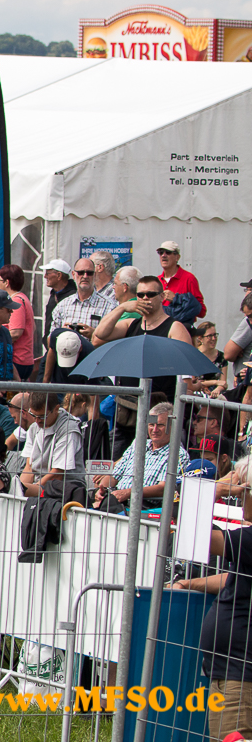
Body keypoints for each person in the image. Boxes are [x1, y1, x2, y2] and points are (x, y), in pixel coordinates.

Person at [169, 454, 252, 742]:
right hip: (233, 669)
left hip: (241, 675)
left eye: (243, 490)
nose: (238, 498)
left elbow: (192, 538)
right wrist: (189, 583)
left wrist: (215, 488)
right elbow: (236, 578)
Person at [93, 275, 197, 403]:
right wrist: (122, 307)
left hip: (160, 404)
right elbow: (100, 333)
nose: (145, 298)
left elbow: (186, 371)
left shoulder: (174, 328)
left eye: (150, 294)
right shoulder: (130, 324)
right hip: (128, 403)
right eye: (140, 295)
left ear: (162, 297)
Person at [91, 403, 187, 512]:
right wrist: (101, 491)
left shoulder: (178, 454)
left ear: (172, 426)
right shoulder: (138, 444)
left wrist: (129, 492)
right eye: (151, 424)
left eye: (160, 425)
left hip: (143, 507)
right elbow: (114, 476)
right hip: (116, 501)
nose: (155, 429)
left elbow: (163, 488)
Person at [15, 392, 87, 503]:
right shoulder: (34, 428)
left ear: (56, 409)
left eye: (42, 416)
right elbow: (29, 468)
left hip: (65, 490)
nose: (37, 420)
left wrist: (27, 490)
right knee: (15, 490)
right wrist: (19, 492)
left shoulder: (69, 430)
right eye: (33, 415)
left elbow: (57, 474)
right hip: (40, 487)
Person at [0, 264, 36, 380]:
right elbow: (32, 327)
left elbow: (16, 332)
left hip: (17, 360)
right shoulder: (22, 298)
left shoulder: (16, 301)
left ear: (7, 283)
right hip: (23, 360)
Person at [155, 240, 206, 327]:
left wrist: (177, 299)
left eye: (168, 252)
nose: (163, 255)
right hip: (159, 329)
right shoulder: (156, 281)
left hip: (181, 329)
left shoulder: (189, 279)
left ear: (177, 257)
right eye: (160, 252)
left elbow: (201, 311)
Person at [40, 258, 77, 340]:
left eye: (48, 273)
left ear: (59, 275)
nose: (45, 276)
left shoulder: (73, 297)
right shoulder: (54, 294)